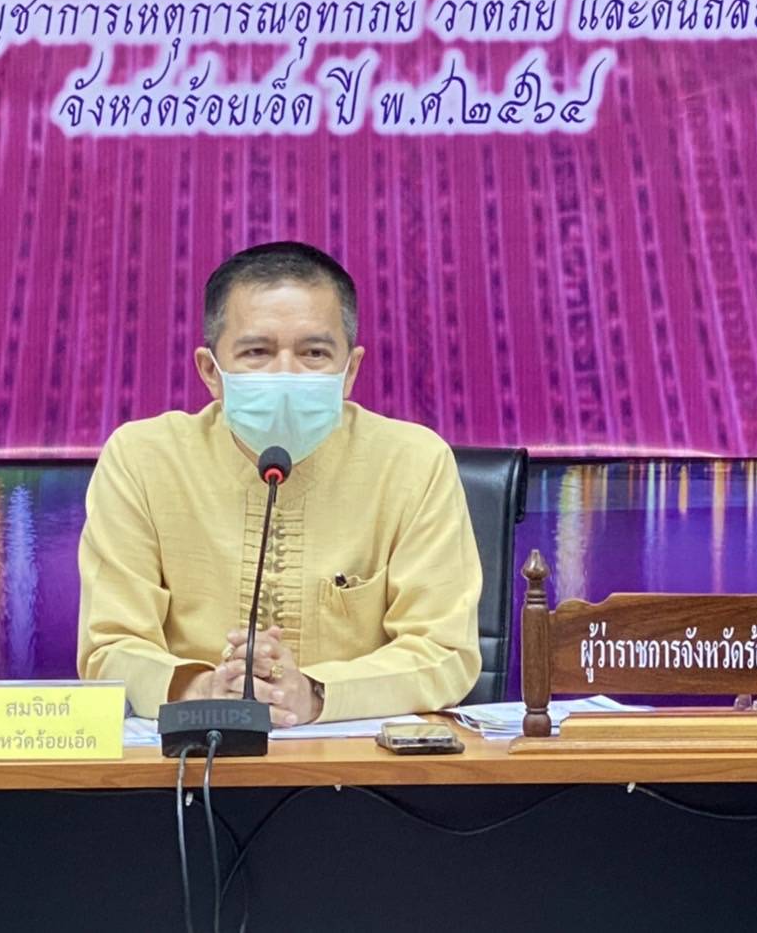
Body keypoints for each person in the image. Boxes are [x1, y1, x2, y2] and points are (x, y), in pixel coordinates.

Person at [76, 241, 482, 724]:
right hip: (191, 755)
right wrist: (203, 689)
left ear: (350, 370)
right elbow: (109, 646)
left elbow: (444, 651)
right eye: (257, 352)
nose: (286, 373)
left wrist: (315, 694)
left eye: (314, 352)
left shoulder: (414, 462)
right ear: (210, 371)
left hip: (358, 761)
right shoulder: (143, 459)